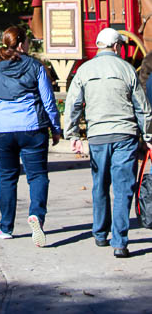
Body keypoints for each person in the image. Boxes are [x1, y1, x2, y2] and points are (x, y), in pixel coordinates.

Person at [0, 26, 61, 247]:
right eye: (27, 41)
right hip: (32, 128)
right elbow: (48, 101)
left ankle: (5, 227)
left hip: (2, 131)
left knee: (7, 176)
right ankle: (36, 215)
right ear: (20, 44)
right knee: (37, 176)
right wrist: (56, 128)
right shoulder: (36, 67)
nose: (29, 45)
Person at [64, 27, 152, 258]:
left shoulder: (84, 70)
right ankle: (120, 242)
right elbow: (143, 109)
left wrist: (72, 134)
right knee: (123, 189)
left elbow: (72, 104)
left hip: (97, 136)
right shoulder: (127, 69)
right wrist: (150, 138)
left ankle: (100, 233)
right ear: (116, 47)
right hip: (125, 136)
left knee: (100, 185)